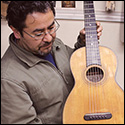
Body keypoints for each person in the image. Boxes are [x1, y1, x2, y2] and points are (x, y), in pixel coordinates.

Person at [1, 1, 103, 124]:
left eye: (51, 27)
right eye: (38, 33)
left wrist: (82, 43)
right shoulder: (8, 80)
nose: (49, 38)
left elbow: (73, 67)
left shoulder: (50, 44)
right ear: (16, 32)